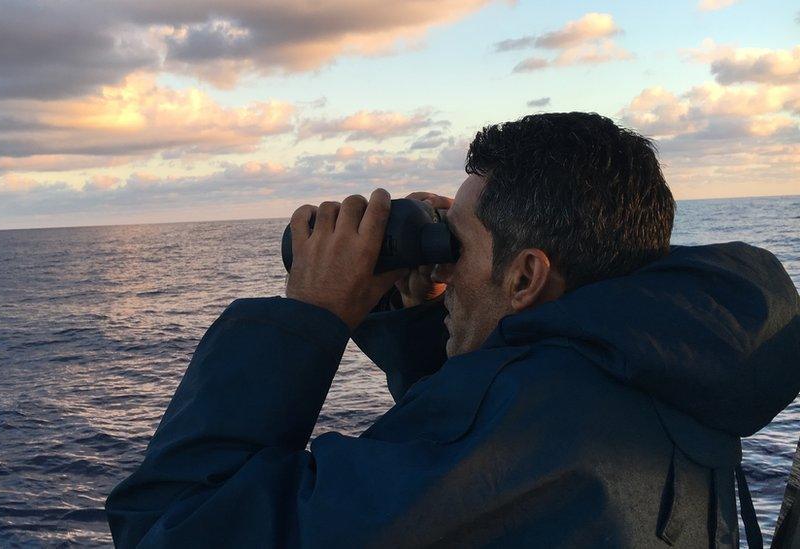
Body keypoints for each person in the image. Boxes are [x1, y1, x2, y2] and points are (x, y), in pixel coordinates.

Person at [104, 113, 800, 548]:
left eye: (458, 243)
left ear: (526, 277)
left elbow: (168, 526)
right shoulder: (668, 362)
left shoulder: (525, 425)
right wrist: (419, 327)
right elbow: (469, 472)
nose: (443, 262)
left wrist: (304, 318)